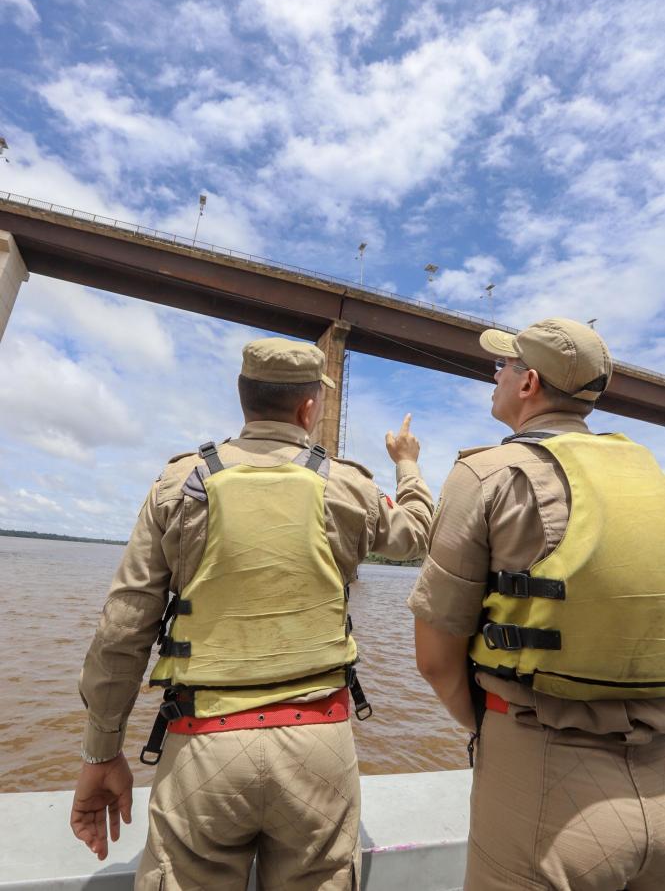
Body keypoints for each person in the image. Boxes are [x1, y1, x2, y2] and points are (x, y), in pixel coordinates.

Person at [71, 336, 433, 890]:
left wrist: (102, 750)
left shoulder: (177, 484)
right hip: (319, 748)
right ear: (309, 408)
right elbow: (416, 535)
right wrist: (407, 466)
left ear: (244, 400)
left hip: (201, 744)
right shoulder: (349, 486)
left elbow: (123, 629)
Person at [409, 317, 665, 891]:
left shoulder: (486, 474)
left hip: (544, 775)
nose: (493, 375)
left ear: (527, 385)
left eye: (501, 365)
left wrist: (490, 729)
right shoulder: (653, 475)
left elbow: (434, 659)